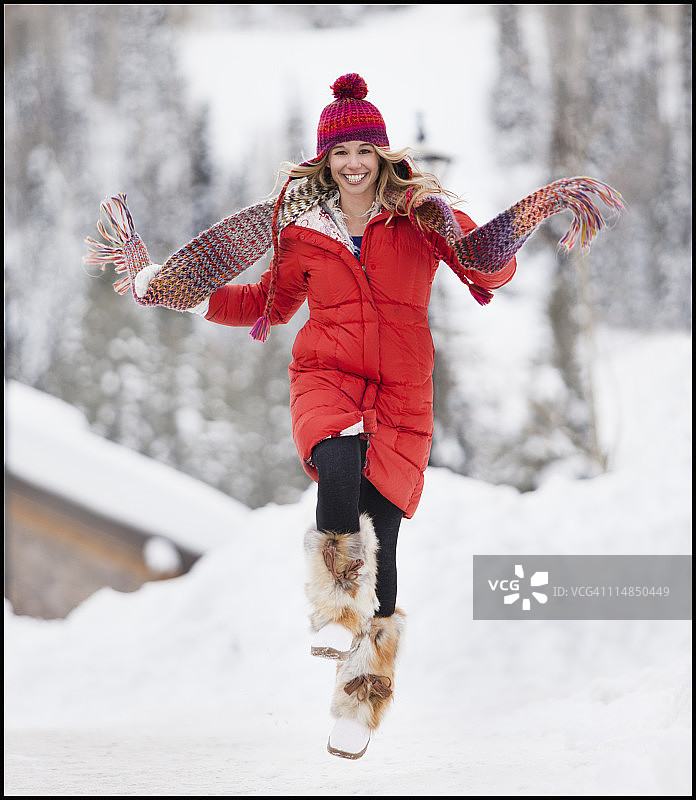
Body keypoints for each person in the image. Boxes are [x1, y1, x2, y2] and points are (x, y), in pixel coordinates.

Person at [86, 73, 623, 760]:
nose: (352, 165)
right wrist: (183, 293)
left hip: (402, 394)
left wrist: (528, 216)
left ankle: (360, 702)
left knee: (386, 544)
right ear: (324, 162)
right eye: (339, 155)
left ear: (382, 155)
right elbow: (266, 307)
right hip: (328, 377)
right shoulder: (302, 231)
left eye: (363, 151)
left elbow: (483, 269)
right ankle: (334, 610)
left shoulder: (422, 219)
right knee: (336, 458)